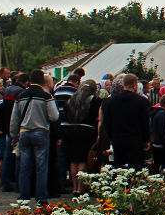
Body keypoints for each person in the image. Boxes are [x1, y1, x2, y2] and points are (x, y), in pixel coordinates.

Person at [11, 69, 59, 205]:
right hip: (41, 131)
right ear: (43, 81)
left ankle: (24, 196)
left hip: (24, 132)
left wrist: (14, 136)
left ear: (30, 80)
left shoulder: (21, 96)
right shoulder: (46, 96)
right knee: (41, 167)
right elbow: (54, 116)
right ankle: (41, 198)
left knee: (25, 166)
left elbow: (15, 119)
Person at [101, 74, 151, 170]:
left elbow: (107, 121)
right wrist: (146, 140)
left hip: (118, 138)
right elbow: (145, 122)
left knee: (119, 166)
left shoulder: (111, 101)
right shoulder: (141, 101)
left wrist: (111, 136)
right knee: (135, 167)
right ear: (135, 85)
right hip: (135, 138)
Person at [62, 79, 100, 194]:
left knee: (73, 160)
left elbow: (66, 114)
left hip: (72, 130)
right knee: (83, 160)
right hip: (87, 131)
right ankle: (81, 187)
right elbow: (96, 118)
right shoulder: (94, 100)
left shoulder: (71, 100)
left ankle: (74, 187)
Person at [151, 94, 165, 175]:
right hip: (162, 145)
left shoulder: (156, 113)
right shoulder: (163, 115)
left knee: (157, 165)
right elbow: (164, 131)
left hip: (155, 143)